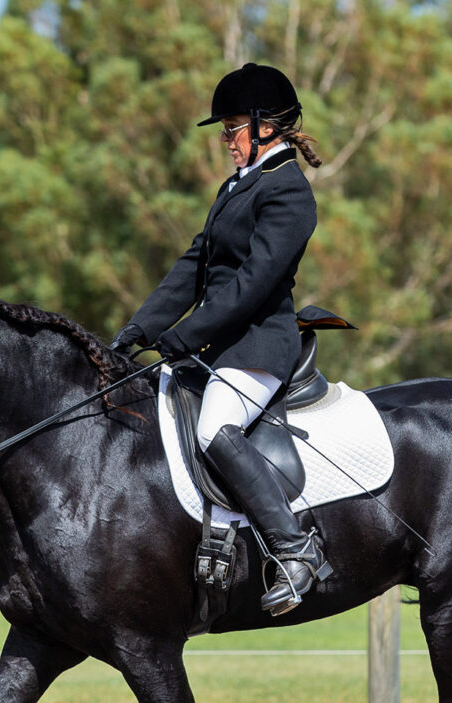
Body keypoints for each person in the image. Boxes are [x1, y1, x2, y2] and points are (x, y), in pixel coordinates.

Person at [111, 63, 329, 615]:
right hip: (220, 346)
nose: (225, 141)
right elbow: (194, 265)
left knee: (214, 429)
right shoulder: (238, 186)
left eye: (232, 128)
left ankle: (296, 549)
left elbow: (255, 284)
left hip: (259, 345)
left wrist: (186, 334)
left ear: (265, 126)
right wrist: (140, 327)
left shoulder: (289, 193)